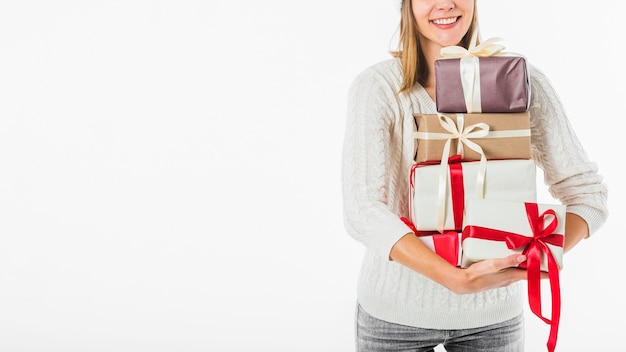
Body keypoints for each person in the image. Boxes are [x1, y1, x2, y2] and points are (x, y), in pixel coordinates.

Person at [340, 0, 609, 351]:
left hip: (492, 320)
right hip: (394, 317)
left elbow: (588, 194)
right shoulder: (377, 88)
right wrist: (452, 278)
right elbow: (362, 211)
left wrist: (535, 255)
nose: (445, 4)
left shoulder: (521, 82)